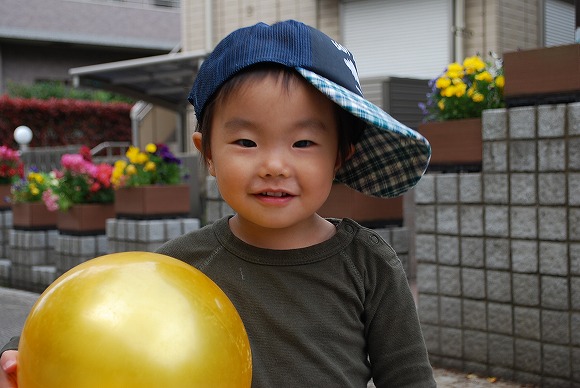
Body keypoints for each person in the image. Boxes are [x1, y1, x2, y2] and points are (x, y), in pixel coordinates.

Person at [1, 20, 435, 387]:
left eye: (303, 142)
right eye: (245, 141)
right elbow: (85, 321)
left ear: (341, 155)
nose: (274, 165)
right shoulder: (179, 268)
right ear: (207, 152)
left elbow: (409, 377)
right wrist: (17, 354)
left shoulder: (368, 263)